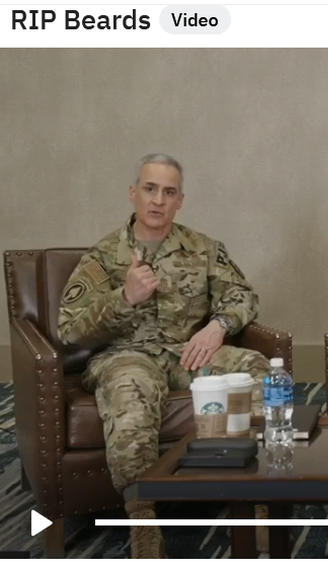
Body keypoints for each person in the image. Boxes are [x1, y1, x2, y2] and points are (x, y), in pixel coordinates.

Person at [57, 154, 272, 558]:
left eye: (168, 192)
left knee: (254, 371)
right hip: (125, 356)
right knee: (130, 390)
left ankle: (255, 500)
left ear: (180, 201)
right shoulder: (103, 256)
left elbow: (243, 294)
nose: (158, 200)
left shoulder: (202, 248)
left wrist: (218, 326)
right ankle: (143, 519)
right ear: (133, 193)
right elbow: (70, 329)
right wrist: (125, 298)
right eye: (150, 189)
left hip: (185, 352)